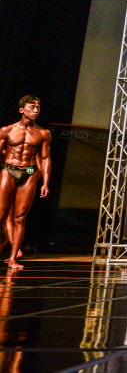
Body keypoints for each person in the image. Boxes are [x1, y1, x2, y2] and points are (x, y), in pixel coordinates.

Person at [0, 96, 51, 270]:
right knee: (1, 215)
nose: (36, 110)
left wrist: (45, 182)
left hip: (29, 172)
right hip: (9, 169)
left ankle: (13, 258)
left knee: (20, 218)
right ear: (22, 110)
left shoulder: (43, 133)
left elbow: (45, 158)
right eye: (32, 107)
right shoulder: (7, 130)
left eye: (38, 107)